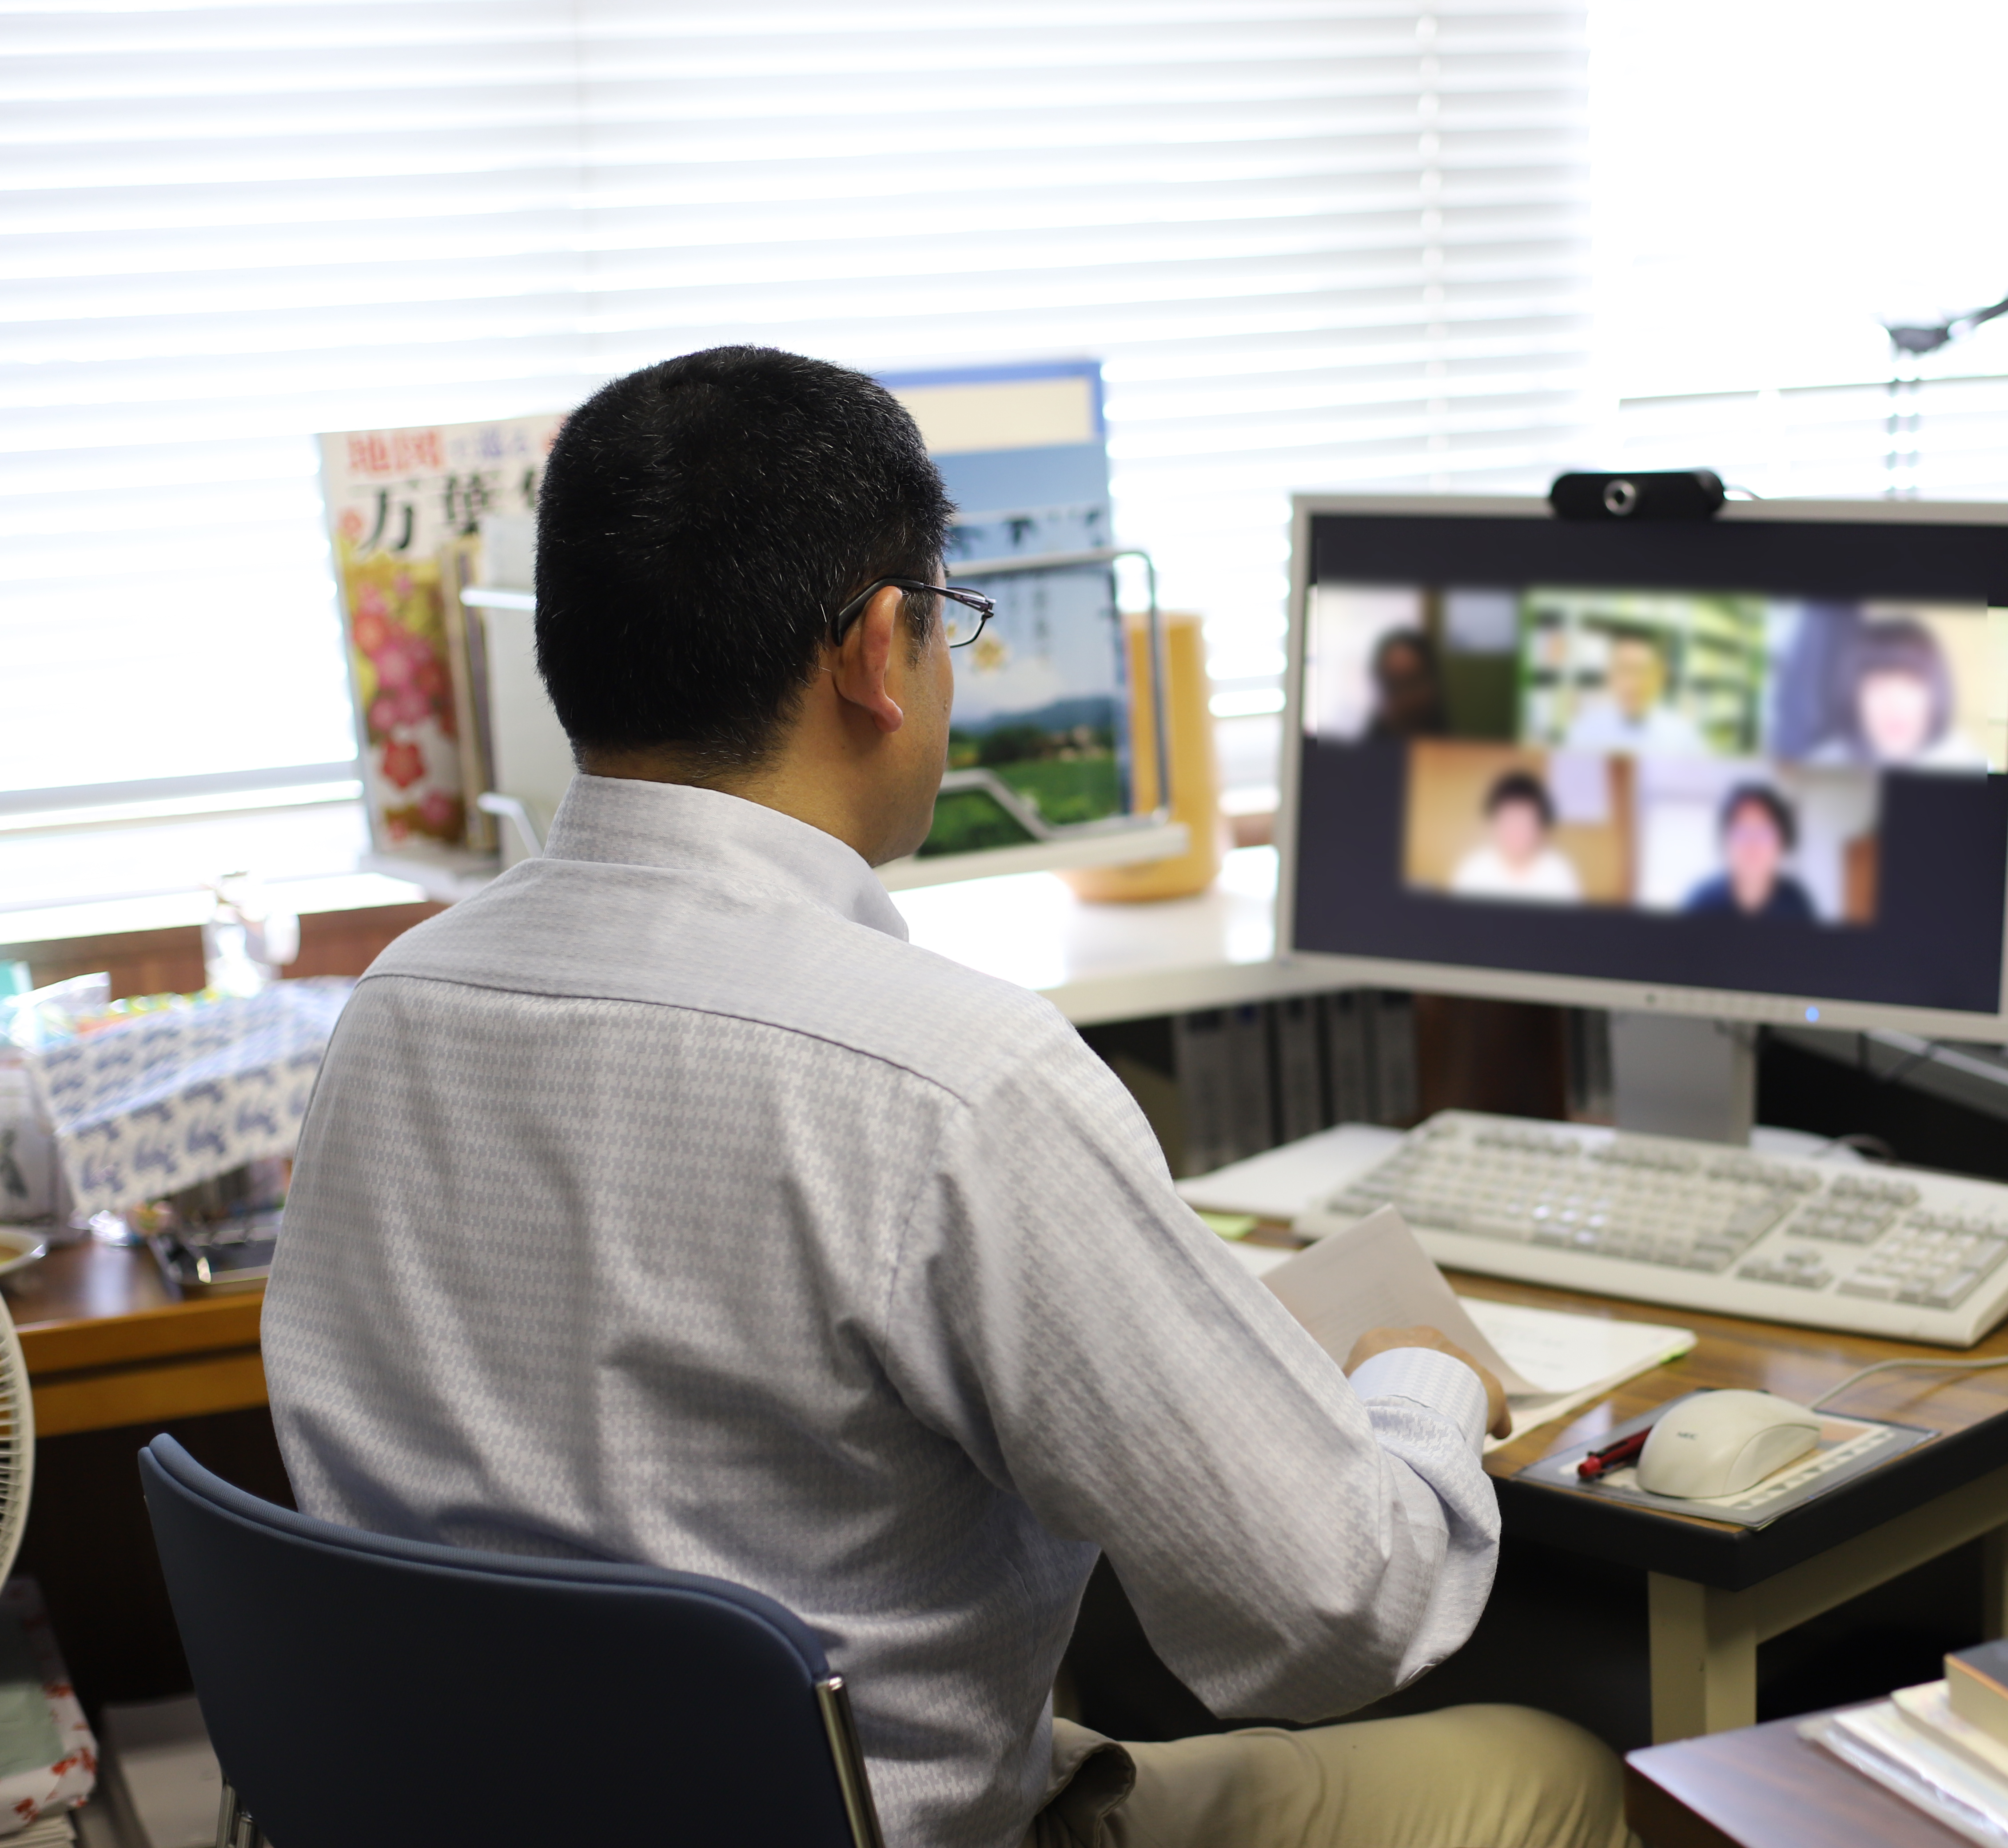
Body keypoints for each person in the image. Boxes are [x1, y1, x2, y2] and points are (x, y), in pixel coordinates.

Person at [260, 348, 1625, 1848]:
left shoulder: (393, 1011)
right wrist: (1421, 1383)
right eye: (945, 624)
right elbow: (1341, 1611)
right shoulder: (955, 1083)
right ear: (875, 651)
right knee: (1554, 1774)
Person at [1769, 609, 1983, 769]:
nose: (1894, 704)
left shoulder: (1965, 758)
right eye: (1878, 686)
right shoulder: (1826, 761)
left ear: (1936, 692)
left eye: (1910, 684)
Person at [1682, 782, 1818, 921]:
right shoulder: (1701, 902)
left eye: (1764, 833)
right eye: (1741, 832)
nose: (1752, 844)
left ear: (1782, 842)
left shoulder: (1797, 905)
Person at [1561, 627, 1706, 756]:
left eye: (1643, 671)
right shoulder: (1584, 731)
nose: (1633, 684)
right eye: (1624, 670)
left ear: (1661, 676)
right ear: (1610, 676)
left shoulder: (1684, 736)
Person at [1448, 769, 1586, 903]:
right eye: (1508, 822)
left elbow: (1573, 925)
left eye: (1525, 823)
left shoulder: (1558, 871)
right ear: (1493, 825)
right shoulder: (1474, 867)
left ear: (1542, 830)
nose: (1516, 832)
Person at [1364, 626, 1448, 739]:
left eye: (1413, 684)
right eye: (1392, 687)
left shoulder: (1453, 750)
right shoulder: (1368, 751)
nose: (1405, 699)